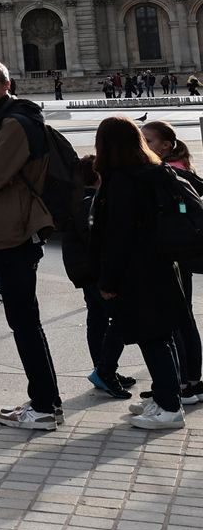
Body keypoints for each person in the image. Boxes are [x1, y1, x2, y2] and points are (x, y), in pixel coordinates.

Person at [0, 56, 65, 431]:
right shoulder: (9, 119)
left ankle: (42, 408)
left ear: (6, 84)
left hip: (15, 228)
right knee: (26, 320)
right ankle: (46, 401)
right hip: (17, 225)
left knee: (23, 321)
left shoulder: (12, 124)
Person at [90, 118, 191, 430]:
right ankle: (163, 396)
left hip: (138, 270)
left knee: (153, 337)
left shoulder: (122, 180)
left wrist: (107, 280)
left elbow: (118, 235)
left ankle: (170, 408)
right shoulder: (154, 170)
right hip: (162, 263)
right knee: (163, 335)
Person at [141, 122, 202, 402]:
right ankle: (186, 381)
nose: (144, 145)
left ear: (165, 145)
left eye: (149, 140)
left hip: (176, 255)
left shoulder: (168, 172)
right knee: (182, 316)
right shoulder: (176, 167)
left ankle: (184, 382)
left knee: (179, 318)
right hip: (180, 254)